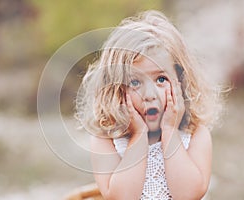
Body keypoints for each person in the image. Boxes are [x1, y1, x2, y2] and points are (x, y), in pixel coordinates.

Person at [76, 10, 222, 200]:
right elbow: (122, 197)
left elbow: (188, 195)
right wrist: (139, 136)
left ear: (181, 81)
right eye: (135, 82)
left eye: (161, 79)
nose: (149, 95)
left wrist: (170, 130)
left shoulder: (195, 134)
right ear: (116, 89)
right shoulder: (106, 139)